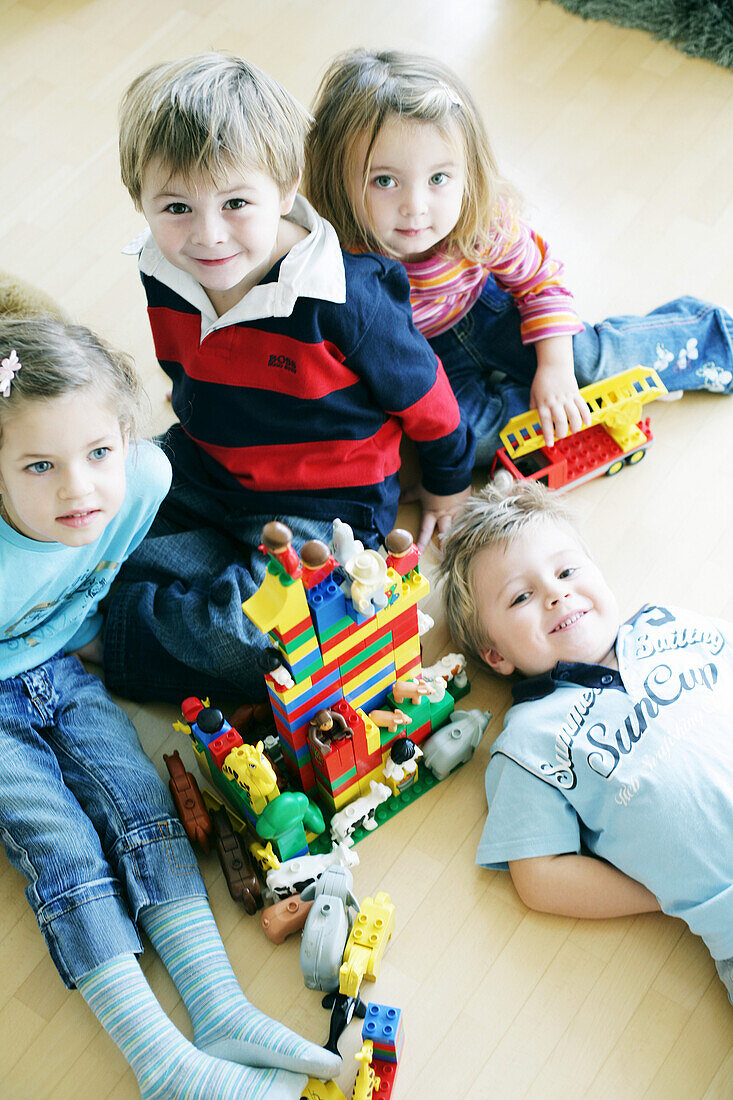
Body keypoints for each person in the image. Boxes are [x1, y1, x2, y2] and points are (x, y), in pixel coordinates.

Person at [0, 317, 339, 1099]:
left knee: (147, 806)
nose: (79, 489)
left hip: (61, 663)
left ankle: (217, 1006)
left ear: (124, 437)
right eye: (40, 466)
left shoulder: (144, 479)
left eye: (97, 454)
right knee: (64, 846)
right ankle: (162, 1062)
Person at [106, 51, 474, 706]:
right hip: (205, 466)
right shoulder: (158, 265)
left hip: (323, 503)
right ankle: (198, 588)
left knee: (281, 640)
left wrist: (446, 488)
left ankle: (117, 635)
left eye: (237, 203)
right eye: (175, 207)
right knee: (91, 508)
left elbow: (429, 401)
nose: (208, 236)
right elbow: (181, 367)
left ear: (286, 187)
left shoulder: (345, 295)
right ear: (139, 198)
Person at [304, 48, 733, 463]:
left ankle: (716, 337)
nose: (415, 205)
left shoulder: (482, 222)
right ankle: (563, 403)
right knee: (472, 437)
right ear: (338, 178)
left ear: (468, 173)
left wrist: (556, 369)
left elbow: (540, 283)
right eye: (384, 181)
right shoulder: (337, 255)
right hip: (425, 356)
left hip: (490, 311)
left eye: (438, 178)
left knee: (589, 361)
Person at [438, 480, 733, 1003]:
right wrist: (660, 891)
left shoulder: (668, 626)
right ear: (496, 657)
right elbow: (539, 876)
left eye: (567, 570)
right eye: (521, 597)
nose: (556, 592)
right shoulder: (531, 739)